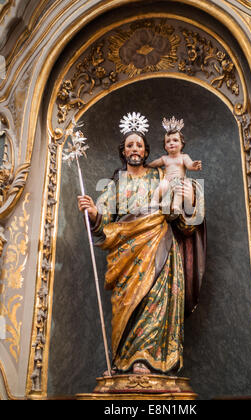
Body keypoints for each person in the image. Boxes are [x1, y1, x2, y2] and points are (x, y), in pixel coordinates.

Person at [77, 112, 206, 376]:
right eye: (129, 145)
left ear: (147, 150)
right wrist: (93, 213)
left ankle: (148, 361)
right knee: (129, 305)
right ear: (123, 152)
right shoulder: (114, 183)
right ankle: (124, 361)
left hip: (159, 247)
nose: (134, 149)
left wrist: (190, 194)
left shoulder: (160, 175)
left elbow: (180, 210)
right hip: (126, 254)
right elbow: (105, 219)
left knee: (154, 303)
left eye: (139, 145)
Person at [147, 117, 202, 214]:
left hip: (179, 181)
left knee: (179, 192)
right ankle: (154, 201)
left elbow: (189, 165)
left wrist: (194, 165)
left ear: (182, 144)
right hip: (167, 181)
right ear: (165, 146)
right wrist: (147, 165)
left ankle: (176, 205)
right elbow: (155, 163)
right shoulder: (165, 158)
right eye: (168, 141)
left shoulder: (184, 157)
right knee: (161, 186)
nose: (171, 143)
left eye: (175, 140)